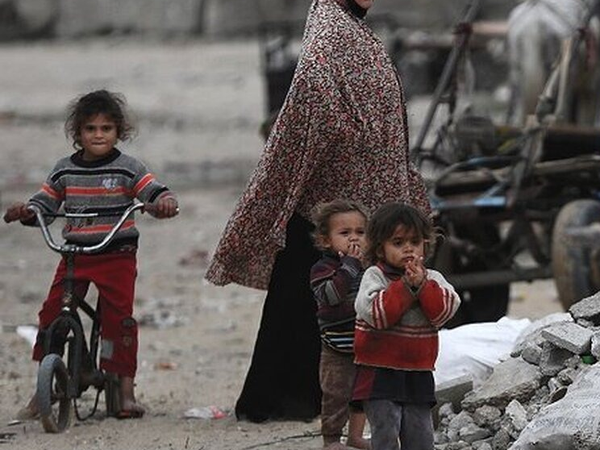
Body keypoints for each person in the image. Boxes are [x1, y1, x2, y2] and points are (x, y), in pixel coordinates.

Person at [205, 0, 431, 423]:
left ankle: (318, 401)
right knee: (309, 295)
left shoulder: (347, 26)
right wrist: (350, 143)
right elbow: (315, 93)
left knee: (331, 297)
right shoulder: (331, 28)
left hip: (352, 193)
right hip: (333, 197)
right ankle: (287, 402)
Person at [3, 89, 179, 420]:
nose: (99, 135)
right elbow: (44, 204)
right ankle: (42, 391)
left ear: (118, 132)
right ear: (78, 133)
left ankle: (125, 393)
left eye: (106, 129)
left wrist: (163, 202)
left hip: (117, 255)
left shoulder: (128, 168)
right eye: (90, 129)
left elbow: (153, 191)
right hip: (75, 256)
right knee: (51, 315)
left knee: (119, 321)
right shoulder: (64, 170)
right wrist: (26, 211)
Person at [352, 202, 461, 450]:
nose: (408, 248)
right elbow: (377, 315)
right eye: (398, 242)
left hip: (418, 373)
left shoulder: (433, 279)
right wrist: (405, 287)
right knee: (386, 432)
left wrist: (422, 286)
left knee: (420, 436)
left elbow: (444, 313)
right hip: (379, 372)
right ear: (380, 249)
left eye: (414, 241)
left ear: (426, 244)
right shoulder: (374, 276)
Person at [310, 200, 370, 450]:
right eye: (345, 233)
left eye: (360, 232)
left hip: (366, 344)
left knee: (362, 393)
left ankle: (355, 436)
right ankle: (332, 439)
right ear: (326, 241)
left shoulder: (370, 268)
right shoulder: (323, 268)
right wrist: (350, 266)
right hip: (336, 347)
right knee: (336, 394)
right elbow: (331, 295)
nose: (354, 238)